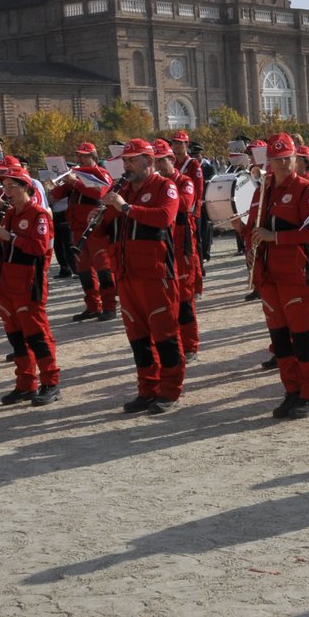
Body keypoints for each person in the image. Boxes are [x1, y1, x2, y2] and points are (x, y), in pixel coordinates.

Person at [96, 138, 184, 414]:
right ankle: (147, 389)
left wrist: (125, 207)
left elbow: (163, 218)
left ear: (148, 160)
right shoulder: (123, 189)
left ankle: (169, 391)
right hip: (127, 274)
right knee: (138, 337)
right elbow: (105, 227)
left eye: (132, 160)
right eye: (125, 161)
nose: (127, 166)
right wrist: (102, 213)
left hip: (155, 274)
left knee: (165, 334)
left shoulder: (164, 186)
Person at [246, 133, 309, 418]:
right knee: (279, 339)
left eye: (285, 159)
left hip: (296, 274)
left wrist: (274, 237)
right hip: (268, 275)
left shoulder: (306, 189)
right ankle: (291, 390)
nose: (280, 165)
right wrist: (250, 242)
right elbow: (254, 227)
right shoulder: (263, 190)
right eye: (275, 160)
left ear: (295, 158)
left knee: (303, 336)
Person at [0, 168, 61, 406]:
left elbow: (39, 247)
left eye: (11, 187)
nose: (6, 192)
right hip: (8, 282)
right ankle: (25, 384)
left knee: (38, 336)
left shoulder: (39, 214)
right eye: (5, 187)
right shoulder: (9, 213)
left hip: (28, 282)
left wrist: (11, 237)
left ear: (24, 187)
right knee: (16, 338)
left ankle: (51, 383)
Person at [51, 144, 116, 322]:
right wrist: (61, 182)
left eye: (84, 157)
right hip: (77, 229)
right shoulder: (76, 176)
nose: (79, 160)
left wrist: (75, 183)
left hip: (95, 228)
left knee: (103, 268)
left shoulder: (101, 173)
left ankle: (109, 306)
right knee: (84, 270)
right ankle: (93, 306)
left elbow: (99, 193)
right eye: (78, 156)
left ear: (93, 157)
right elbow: (56, 194)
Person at [153, 139, 201, 361]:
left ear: (171, 160)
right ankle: (175, 343)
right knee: (166, 300)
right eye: (155, 162)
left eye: (161, 161)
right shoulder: (154, 184)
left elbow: (183, 205)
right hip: (163, 246)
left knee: (185, 299)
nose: (158, 166)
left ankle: (190, 345)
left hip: (182, 246)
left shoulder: (185, 181)